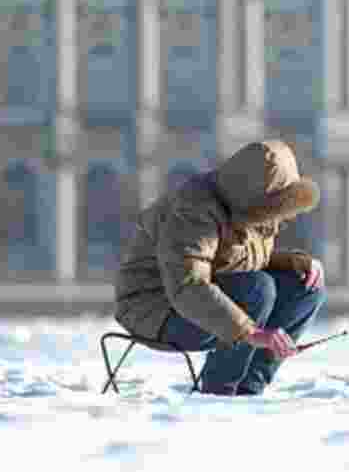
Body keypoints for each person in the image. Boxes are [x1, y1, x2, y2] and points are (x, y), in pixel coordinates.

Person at [114, 140, 327, 396]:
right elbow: (187, 283)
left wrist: (296, 263)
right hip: (157, 308)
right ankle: (220, 391)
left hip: (205, 301)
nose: (283, 217)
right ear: (257, 195)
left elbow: (234, 259)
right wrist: (249, 332)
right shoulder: (194, 211)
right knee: (258, 288)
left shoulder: (253, 211)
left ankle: (249, 387)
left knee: (304, 286)